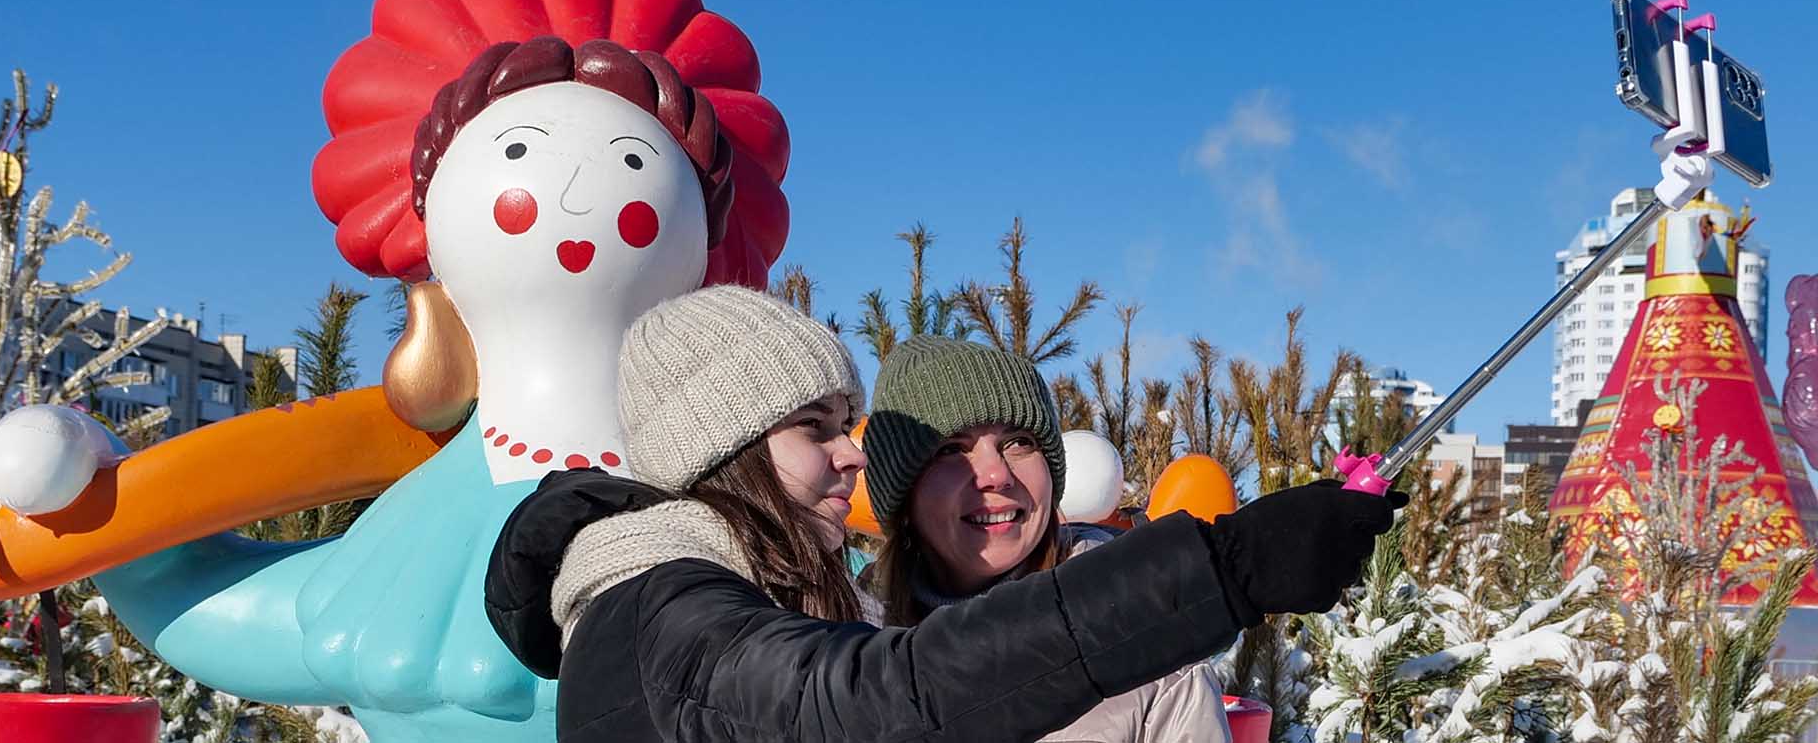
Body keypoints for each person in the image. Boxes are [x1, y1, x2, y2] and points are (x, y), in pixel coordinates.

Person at [485, 288, 1406, 742]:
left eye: (1016, 446)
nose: (994, 480)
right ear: (721, 450)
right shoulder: (679, 611)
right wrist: (1226, 567)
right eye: (817, 428)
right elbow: (885, 698)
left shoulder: (732, 599)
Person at [860, 335, 1230, 741]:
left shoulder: (1150, 641)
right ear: (902, 494)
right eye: (951, 449)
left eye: (1019, 442)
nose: (996, 474)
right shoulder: (844, 649)